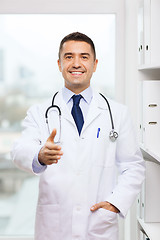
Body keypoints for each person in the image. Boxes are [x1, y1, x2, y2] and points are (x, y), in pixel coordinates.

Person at [11, 32, 145, 240]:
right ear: (59, 64)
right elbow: (19, 151)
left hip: (99, 225)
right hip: (54, 228)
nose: (76, 63)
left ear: (94, 63)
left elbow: (133, 166)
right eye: (69, 56)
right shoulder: (40, 113)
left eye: (84, 57)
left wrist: (115, 203)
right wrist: (39, 155)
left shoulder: (117, 113)